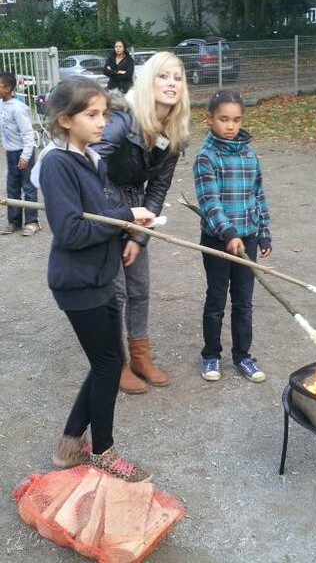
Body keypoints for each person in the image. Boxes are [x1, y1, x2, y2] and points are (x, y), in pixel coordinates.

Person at [33, 77, 155, 481]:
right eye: (92, 114)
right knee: (108, 364)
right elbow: (71, 232)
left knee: (107, 361)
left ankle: (70, 444)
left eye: (104, 113)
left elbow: (101, 213)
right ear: (65, 120)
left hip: (102, 277)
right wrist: (123, 217)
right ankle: (103, 451)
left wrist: (129, 227)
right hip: (77, 283)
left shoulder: (91, 159)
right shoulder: (57, 164)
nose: (102, 122)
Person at [92, 51, 191, 395]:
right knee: (115, 292)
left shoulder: (173, 132)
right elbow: (89, 167)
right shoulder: (122, 120)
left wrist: (139, 235)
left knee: (139, 289)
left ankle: (140, 356)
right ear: (148, 80)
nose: (172, 83)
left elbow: (159, 187)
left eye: (178, 77)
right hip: (104, 209)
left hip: (137, 214)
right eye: (164, 76)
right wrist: (118, 218)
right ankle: (115, 362)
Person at [193, 89, 271, 383]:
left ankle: (243, 356)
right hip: (217, 240)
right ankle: (211, 355)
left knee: (243, 302)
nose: (230, 126)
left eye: (236, 120)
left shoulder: (249, 155)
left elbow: (258, 196)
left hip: (246, 239)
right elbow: (209, 202)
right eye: (223, 119)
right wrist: (227, 232)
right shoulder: (206, 157)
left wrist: (263, 233)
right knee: (216, 300)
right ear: (210, 119)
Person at [0, 71, 40, 236]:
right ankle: (14, 221)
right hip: (10, 153)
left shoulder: (18, 108)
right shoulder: (1, 105)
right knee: (12, 188)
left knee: (28, 187)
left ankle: (32, 222)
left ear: (7, 88)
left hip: (23, 153)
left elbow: (28, 134)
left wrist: (25, 156)